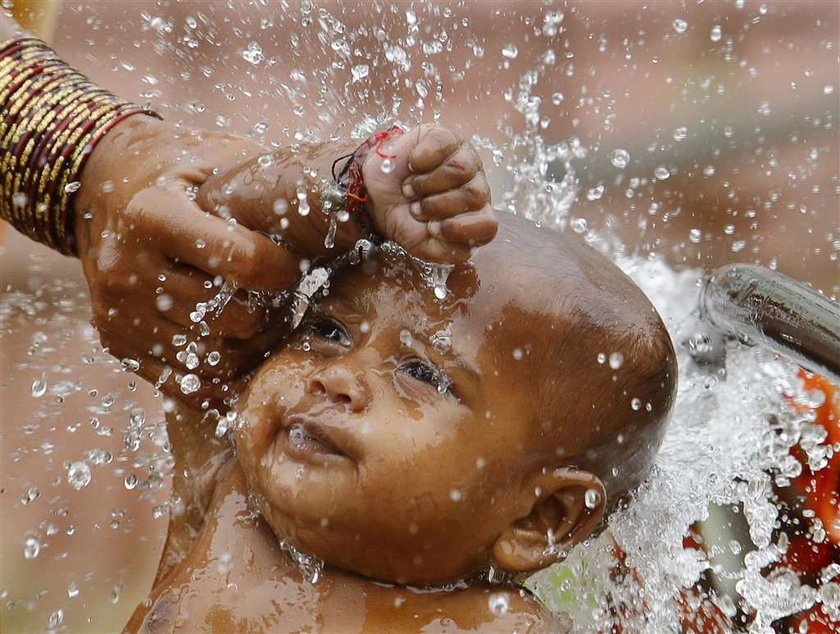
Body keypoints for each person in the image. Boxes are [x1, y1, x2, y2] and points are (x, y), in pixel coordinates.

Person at [122, 139, 677, 631]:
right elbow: (214, 227)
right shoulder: (229, 481)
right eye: (328, 330)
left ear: (542, 518)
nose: (336, 376)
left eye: (420, 373)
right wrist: (356, 182)